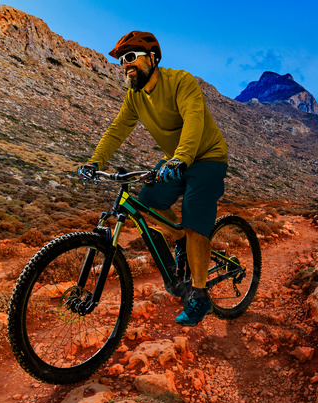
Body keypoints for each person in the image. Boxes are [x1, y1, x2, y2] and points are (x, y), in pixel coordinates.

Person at [77, 31, 228, 327]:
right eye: (122, 60)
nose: (125, 65)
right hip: (177, 159)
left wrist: (181, 157)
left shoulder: (180, 82)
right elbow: (117, 129)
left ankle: (199, 296)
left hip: (206, 156)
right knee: (146, 202)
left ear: (153, 58)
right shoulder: (134, 97)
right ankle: (181, 241)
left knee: (195, 216)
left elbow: (194, 118)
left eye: (131, 57)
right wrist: (94, 161)